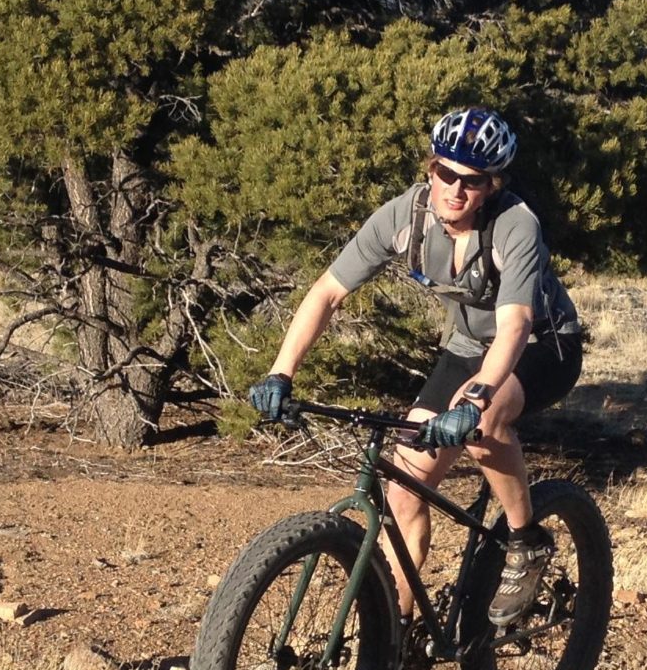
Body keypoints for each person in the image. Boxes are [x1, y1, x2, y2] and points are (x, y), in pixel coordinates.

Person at [247, 106, 584, 629]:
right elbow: (328, 292)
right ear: (430, 170)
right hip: (469, 346)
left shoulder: (516, 225)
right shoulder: (404, 217)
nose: (455, 189)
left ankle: (526, 540)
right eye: (445, 173)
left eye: (471, 181)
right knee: (403, 488)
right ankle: (393, 637)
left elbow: (515, 325)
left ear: (492, 185)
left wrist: (474, 401)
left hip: (543, 345)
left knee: (485, 421)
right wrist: (281, 372)